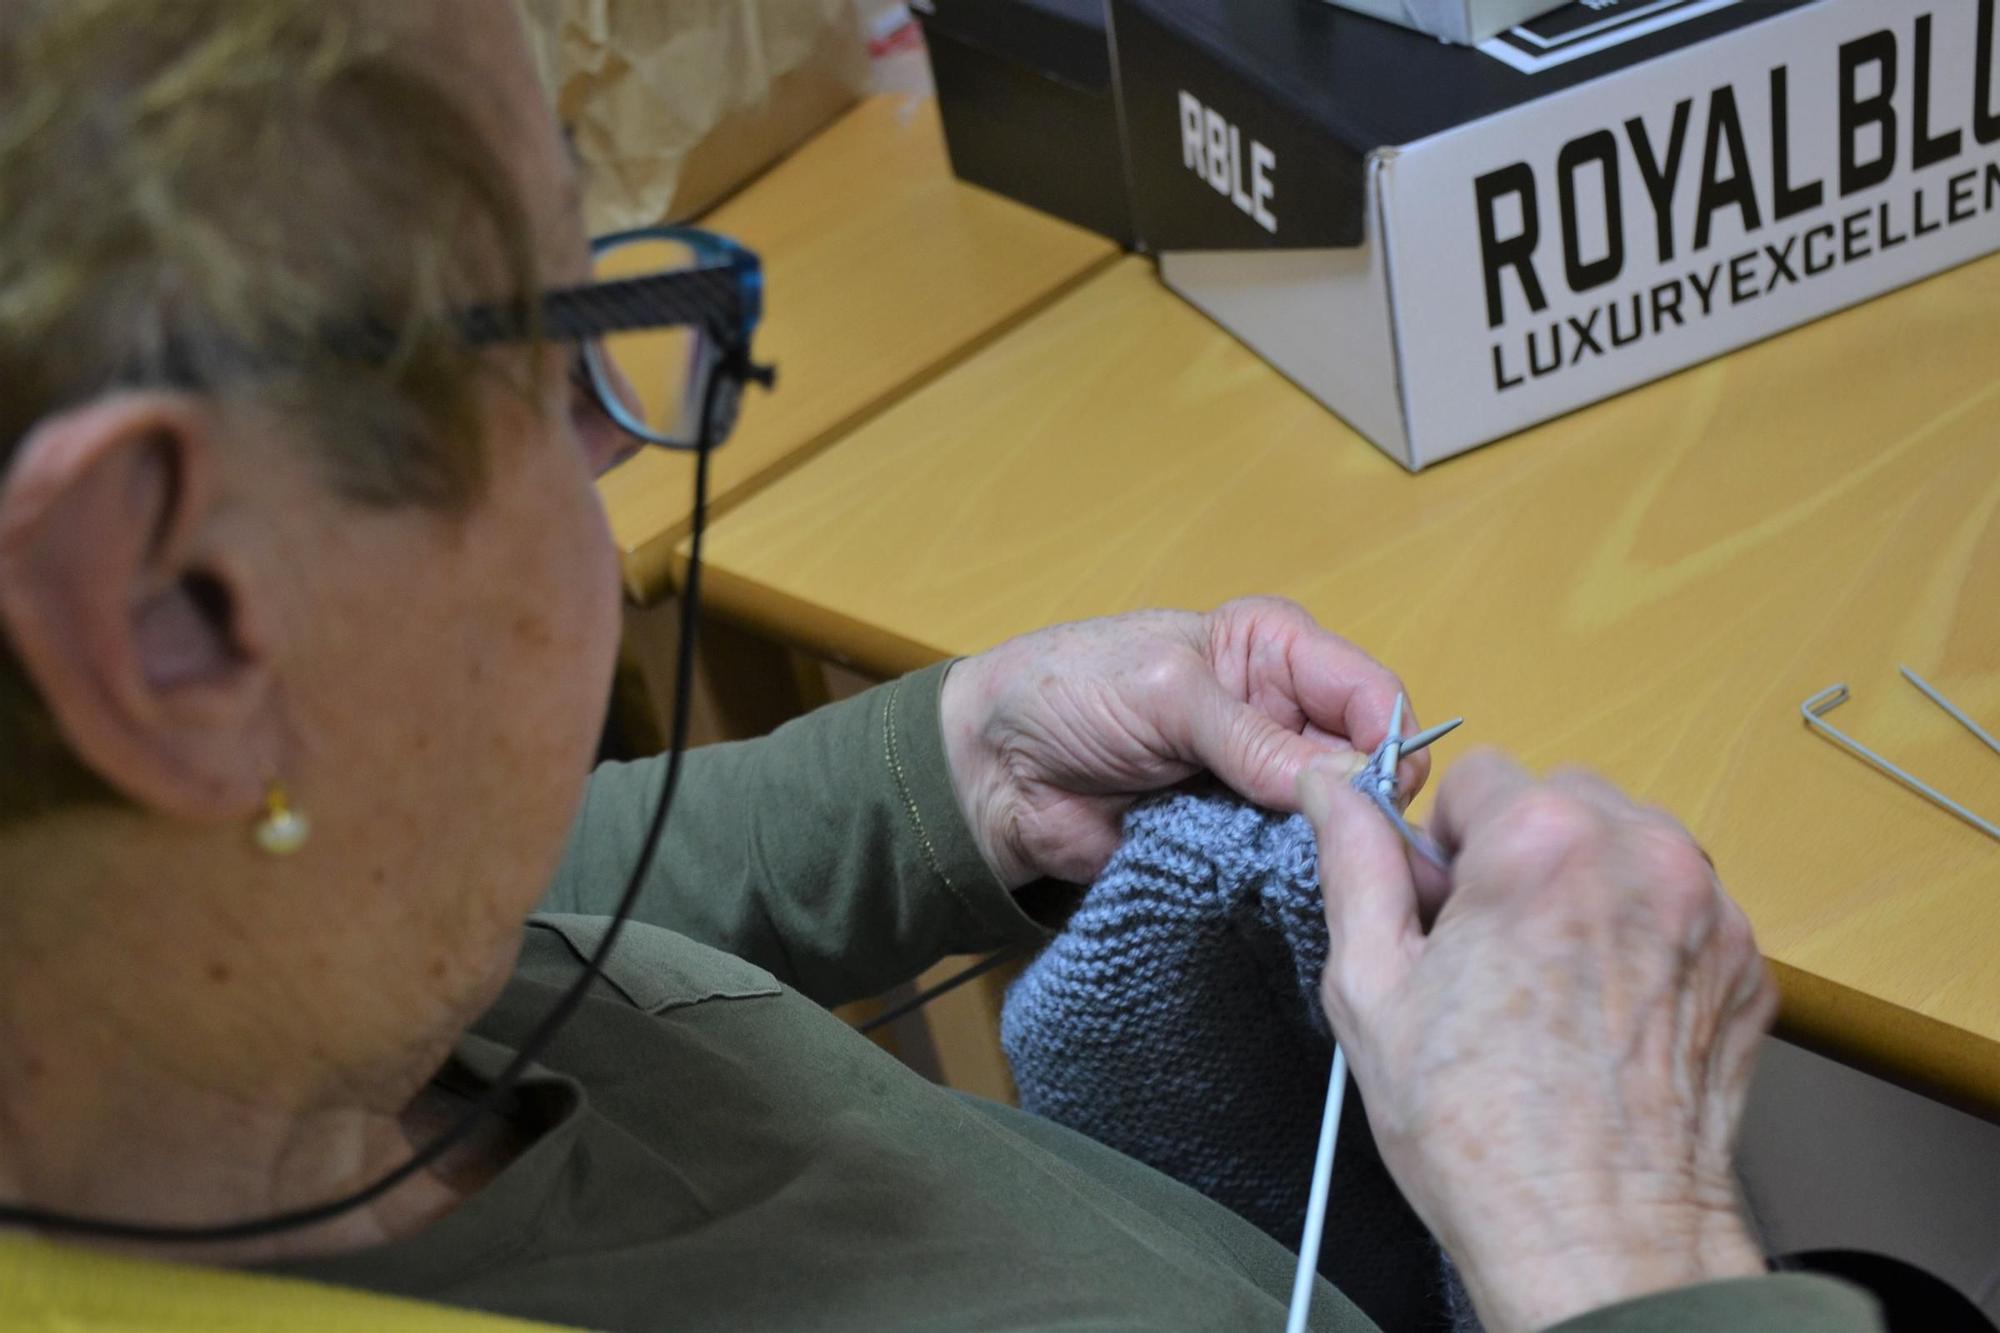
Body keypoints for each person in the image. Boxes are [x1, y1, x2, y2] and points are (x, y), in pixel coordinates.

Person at [0, 2, 1883, 1329]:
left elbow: (521, 883)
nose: (627, 438)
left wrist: (957, 766)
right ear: (178, 609)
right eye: (557, 333)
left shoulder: (173, 979)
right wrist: (1619, 1241)